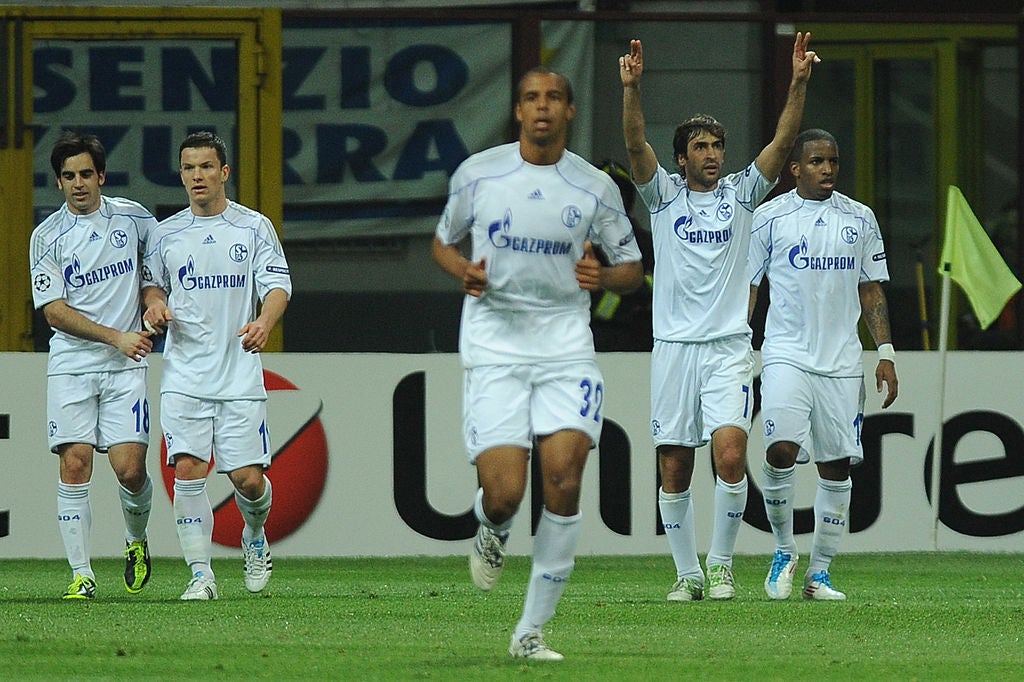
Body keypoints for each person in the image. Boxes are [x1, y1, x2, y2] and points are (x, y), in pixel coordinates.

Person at [432, 66, 643, 660]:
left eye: (553, 97)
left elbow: (631, 268)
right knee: (504, 495)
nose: (542, 106)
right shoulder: (479, 174)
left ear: (569, 110)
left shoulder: (594, 187)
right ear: (519, 112)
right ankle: (492, 525)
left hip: (565, 348)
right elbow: (442, 242)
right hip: (495, 347)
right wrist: (463, 270)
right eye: (532, 97)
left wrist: (604, 276)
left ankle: (530, 631)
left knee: (566, 483)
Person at [619, 33, 818, 602]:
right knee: (674, 467)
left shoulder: (743, 195)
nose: (711, 154)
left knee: (730, 455)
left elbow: (783, 142)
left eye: (717, 146)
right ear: (682, 158)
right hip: (674, 349)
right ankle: (687, 574)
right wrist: (632, 90)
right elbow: (634, 145)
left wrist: (798, 83)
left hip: (729, 348)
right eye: (700, 147)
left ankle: (722, 564)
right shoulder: (663, 198)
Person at [749, 128, 898, 600]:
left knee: (836, 466)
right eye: (817, 161)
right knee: (780, 449)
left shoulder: (860, 218)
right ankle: (783, 551)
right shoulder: (769, 217)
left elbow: (871, 289)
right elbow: (750, 287)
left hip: (841, 362)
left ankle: (819, 574)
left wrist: (885, 353)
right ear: (795, 168)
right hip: (785, 354)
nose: (828, 169)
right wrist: (738, 347)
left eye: (833, 161)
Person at [142, 131, 291, 601]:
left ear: (224, 172)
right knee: (188, 470)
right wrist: (154, 305)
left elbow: (278, 285)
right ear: (181, 174)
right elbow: (152, 286)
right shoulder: (165, 234)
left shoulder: (253, 227)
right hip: (184, 375)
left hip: (238, 374)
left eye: (206, 166)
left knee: (248, 480)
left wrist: (264, 322)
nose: (197, 176)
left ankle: (254, 534)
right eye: (189, 168)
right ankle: (201, 575)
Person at [29, 130, 157, 599]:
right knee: (75, 463)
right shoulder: (46, 237)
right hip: (72, 363)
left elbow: (156, 271)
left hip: (126, 366)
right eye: (69, 176)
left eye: (86, 174)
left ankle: (136, 541)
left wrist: (154, 300)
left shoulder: (135, 219)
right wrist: (115, 337)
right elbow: (54, 312)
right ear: (58, 182)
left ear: (101, 176)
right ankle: (82, 574)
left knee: (130, 471)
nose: (78, 183)